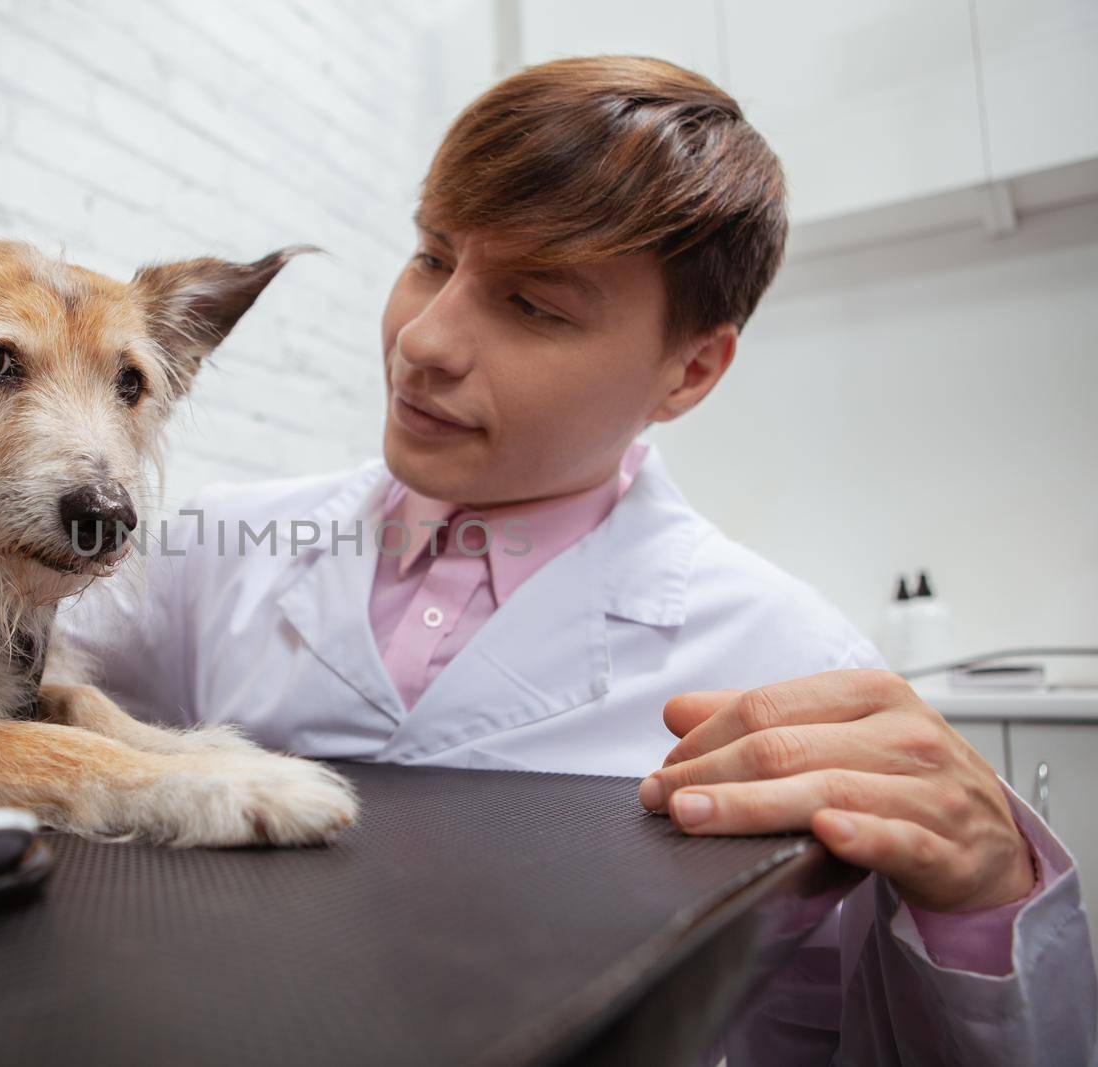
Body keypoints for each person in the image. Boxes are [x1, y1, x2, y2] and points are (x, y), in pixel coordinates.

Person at [56, 56, 1096, 1063]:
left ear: (689, 369)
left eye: (533, 305)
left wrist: (985, 900)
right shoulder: (216, 546)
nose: (423, 338)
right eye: (429, 254)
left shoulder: (790, 661)